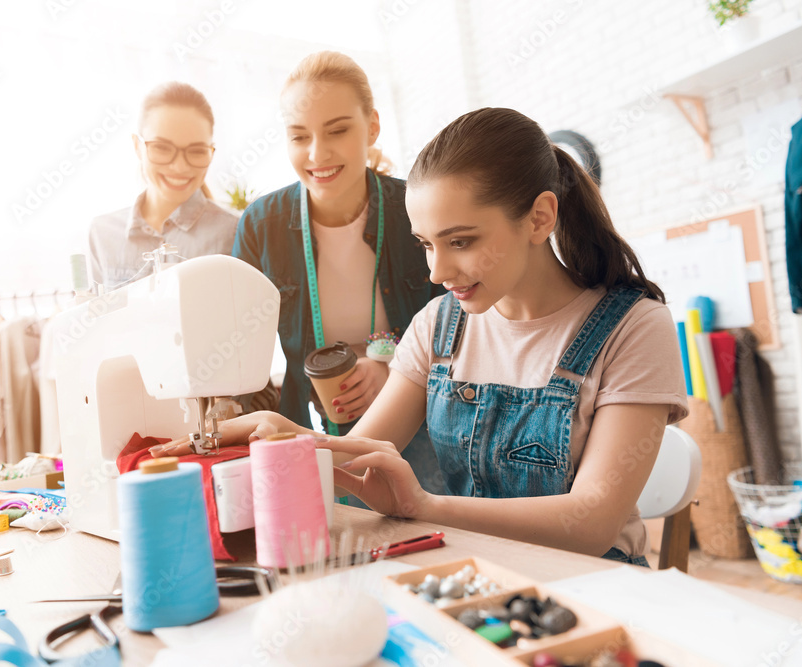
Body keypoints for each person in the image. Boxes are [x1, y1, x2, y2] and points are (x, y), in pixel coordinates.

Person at [156, 107, 688, 565]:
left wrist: (426, 507)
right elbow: (364, 451)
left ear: (539, 217)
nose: (437, 270)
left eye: (460, 241)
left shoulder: (633, 328)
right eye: (426, 244)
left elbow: (592, 521)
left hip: (595, 587)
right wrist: (288, 434)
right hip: (472, 570)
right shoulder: (440, 325)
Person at [226, 51, 447, 493]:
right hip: (308, 423)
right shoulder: (260, 225)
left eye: (338, 130)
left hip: (421, 418)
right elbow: (234, 347)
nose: (317, 153)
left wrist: (391, 369)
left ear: (372, 127)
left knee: (427, 537)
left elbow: (465, 325)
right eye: (298, 136)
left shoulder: (416, 208)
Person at [87, 82, 237, 291]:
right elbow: (95, 319)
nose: (179, 166)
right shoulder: (103, 233)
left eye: (196, 151)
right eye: (162, 148)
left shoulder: (234, 232)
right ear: (137, 146)